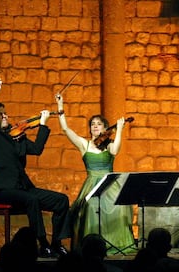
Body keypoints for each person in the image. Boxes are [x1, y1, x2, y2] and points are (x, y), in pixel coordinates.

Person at [0, 79, 71, 258]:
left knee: (61, 200)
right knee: (31, 200)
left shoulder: (17, 138)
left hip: (22, 187)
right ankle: (43, 245)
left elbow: (37, 149)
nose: (5, 116)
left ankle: (56, 243)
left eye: (6, 114)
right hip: (0, 189)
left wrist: (43, 124)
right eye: (0, 115)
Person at [55, 93, 135, 253]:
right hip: (92, 184)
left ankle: (116, 244)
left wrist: (119, 130)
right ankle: (91, 248)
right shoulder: (84, 144)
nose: (95, 126)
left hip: (110, 185)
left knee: (119, 207)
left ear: (105, 128)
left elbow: (115, 150)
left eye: (99, 124)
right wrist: (60, 106)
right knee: (91, 206)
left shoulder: (108, 144)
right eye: (92, 124)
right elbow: (65, 129)